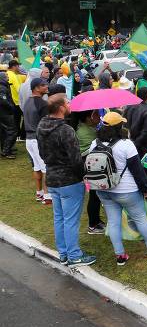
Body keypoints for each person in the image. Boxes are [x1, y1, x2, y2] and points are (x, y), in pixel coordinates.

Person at [91, 112, 147, 266]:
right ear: (120, 127)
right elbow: (137, 170)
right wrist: (146, 188)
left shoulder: (95, 143)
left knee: (113, 222)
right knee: (140, 218)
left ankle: (120, 256)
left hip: (104, 190)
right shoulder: (126, 144)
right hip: (127, 190)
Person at [37, 93, 97, 267]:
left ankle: (63, 253)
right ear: (61, 107)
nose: (70, 104)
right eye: (68, 102)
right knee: (70, 219)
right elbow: (76, 159)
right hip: (69, 181)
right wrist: (82, 176)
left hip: (53, 179)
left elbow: (42, 154)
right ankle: (74, 255)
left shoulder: (42, 125)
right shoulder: (66, 130)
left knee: (59, 218)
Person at [124, 87, 147, 206]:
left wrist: (132, 143)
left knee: (138, 172)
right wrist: (136, 143)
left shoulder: (129, 108)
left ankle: (142, 194)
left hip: (134, 145)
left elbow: (125, 124)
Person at [74, 110, 105, 234]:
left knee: (95, 195)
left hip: (90, 165)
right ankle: (93, 224)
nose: (99, 116)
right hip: (89, 166)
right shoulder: (85, 132)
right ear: (88, 118)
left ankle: (96, 220)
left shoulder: (87, 128)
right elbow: (95, 147)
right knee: (94, 195)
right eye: (96, 114)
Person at [22, 78, 51, 204]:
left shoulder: (27, 101)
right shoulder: (42, 104)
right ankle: (47, 196)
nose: (46, 86)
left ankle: (39, 193)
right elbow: (46, 124)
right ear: (36, 88)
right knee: (45, 168)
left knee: (37, 167)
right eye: (43, 85)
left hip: (29, 140)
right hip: (38, 139)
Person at [0, 72, 17, 158]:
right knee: (11, 131)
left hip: (4, 113)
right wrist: (11, 107)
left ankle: (6, 149)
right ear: (2, 78)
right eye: (6, 75)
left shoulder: (4, 85)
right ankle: (6, 151)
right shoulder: (2, 88)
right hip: (5, 113)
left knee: (4, 132)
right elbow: (3, 101)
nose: (7, 76)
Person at [7, 60, 24, 140]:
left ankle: (17, 135)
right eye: (18, 66)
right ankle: (18, 136)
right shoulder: (13, 76)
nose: (19, 67)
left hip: (11, 101)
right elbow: (19, 89)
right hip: (16, 101)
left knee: (15, 120)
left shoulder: (8, 74)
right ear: (14, 66)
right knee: (17, 120)